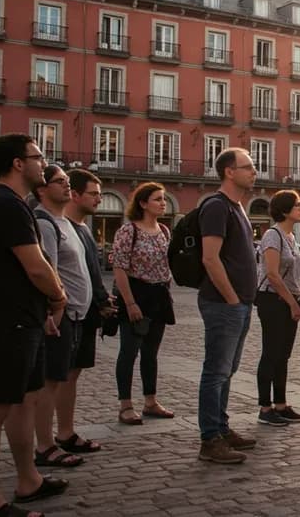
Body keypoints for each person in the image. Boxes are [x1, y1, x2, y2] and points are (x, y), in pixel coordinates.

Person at [0, 134, 70, 517]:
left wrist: (42, 309)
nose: (44, 162)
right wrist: (58, 297)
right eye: (38, 156)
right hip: (4, 318)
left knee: (25, 400)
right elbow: (35, 265)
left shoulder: (15, 203)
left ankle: (29, 480)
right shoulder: (4, 204)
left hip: (23, 316)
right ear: (17, 163)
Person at [31, 165, 96, 469]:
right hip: (62, 314)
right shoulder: (44, 222)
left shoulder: (66, 222)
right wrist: (54, 311)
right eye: (60, 182)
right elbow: (48, 271)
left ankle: (65, 433)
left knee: (68, 375)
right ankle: (44, 445)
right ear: (42, 189)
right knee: (50, 380)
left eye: (68, 182)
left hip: (77, 313)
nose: (67, 187)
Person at [197, 148, 258, 463]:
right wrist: (233, 299)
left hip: (240, 304)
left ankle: (221, 428)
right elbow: (210, 258)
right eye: (248, 167)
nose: (254, 171)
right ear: (229, 172)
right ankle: (210, 440)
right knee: (216, 371)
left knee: (227, 370)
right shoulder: (217, 207)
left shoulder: (238, 207)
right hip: (223, 304)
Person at [112, 183, 176, 428]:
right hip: (136, 291)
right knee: (129, 351)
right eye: (157, 199)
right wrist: (129, 302)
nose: (163, 203)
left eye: (164, 199)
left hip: (159, 294)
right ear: (142, 203)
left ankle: (150, 401)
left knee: (151, 352)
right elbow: (119, 267)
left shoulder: (163, 230)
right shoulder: (129, 231)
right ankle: (125, 405)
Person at [62, 169, 116, 453]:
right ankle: (61, 433)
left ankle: (66, 430)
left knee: (74, 373)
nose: (98, 198)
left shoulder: (83, 228)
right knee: (64, 376)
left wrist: (102, 299)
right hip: (70, 315)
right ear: (75, 194)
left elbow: (90, 273)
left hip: (87, 312)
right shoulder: (63, 227)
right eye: (93, 194)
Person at [254, 190, 300, 427]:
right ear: (285, 210)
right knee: (271, 353)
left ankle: (281, 404)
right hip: (272, 300)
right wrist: (291, 303)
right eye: (297, 205)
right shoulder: (272, 236)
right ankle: (265, 408)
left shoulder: (289, 237)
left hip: (290, 299)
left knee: (283, 355)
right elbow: (273, 275)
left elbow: (295, 276)